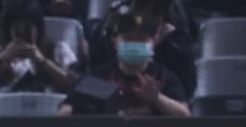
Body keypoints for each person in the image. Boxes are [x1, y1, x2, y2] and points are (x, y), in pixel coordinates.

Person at [59, 10, 191, 116]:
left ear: (152, 43)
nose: (134, 43)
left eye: (141, 39)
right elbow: (66, 110)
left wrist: (157, 98)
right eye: (128, 38)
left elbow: (185, 116)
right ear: (115, 42)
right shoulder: (97, 77)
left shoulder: (164, 77)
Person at [0, 0, 82, 95]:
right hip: (6, 108)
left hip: (48, 107)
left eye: (27, 25)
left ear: (38, 27)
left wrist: (43, 62)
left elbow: (75, 86)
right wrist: (2, 60)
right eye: (16, 25)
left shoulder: (59, 49)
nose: (21, 30)